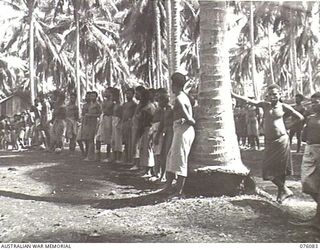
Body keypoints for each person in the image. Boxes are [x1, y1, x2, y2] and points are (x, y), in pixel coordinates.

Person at [232, 84, 304, 203]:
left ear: (279, 94)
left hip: (282, 140)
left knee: (281, 168)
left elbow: (300, 117)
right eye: (270, 94)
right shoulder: (264, 105)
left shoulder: (283, 107)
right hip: (270, 142)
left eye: (275, 94)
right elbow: (249, 100)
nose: (272, 97)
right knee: (266, 169)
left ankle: (281, 194)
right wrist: (234, 94)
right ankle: (284, 188)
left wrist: (287, 127)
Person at [162, 72, 196, 197]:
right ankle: (169, 186)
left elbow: (190, 119)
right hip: (180, 130)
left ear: (174, 85)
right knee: (172, 157)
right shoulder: (184, 97)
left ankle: (178, 191)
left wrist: (183, 121)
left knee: (180, 159)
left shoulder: (179, 99)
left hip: (183, 131)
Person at [297, 92, 320, 229]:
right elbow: (304, 137)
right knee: (307, 182)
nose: (313, 105)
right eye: (312, 103)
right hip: (310, 151)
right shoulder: (310, 118)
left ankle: (317, 219)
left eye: (316, 102)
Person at [155, 90, 173, 182]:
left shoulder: (171, 110)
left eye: (159, 101)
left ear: (164, 101)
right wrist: (157, 135)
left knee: (167, 154)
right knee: (162, 155)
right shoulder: (164, 111)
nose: (158, 103)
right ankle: (162, 175)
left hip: (171, 132)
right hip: (165, 133)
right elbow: (162, 123)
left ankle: (167, 176)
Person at [137, 89, 156, 178]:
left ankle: (148, 170)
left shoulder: (149, 107)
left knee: (147, 149)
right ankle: (146, 169)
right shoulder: (147, 107)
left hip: (148, 128)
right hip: (146, 128)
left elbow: (146, 120)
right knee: (145, 148)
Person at [95, 87, 113, 162]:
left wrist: (106, 112)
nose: (105, 93)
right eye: (105, 92)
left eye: (107, 92)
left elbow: (109, 111)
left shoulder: (112, 102)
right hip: (103, 119)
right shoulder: (104, 101)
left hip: (109, 119)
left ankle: (108, 156)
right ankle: (98, 154)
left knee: (108, 138)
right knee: (98, 137)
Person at [82, 91, 101, 161]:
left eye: (93, 96)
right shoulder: (89, 105)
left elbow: (100, 114)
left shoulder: (97, 105)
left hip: (94, 122)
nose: (92, 97)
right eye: (91, 96)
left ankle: (91, 156)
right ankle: (90, 155)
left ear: (96, 97)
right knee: (88, 139)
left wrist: (91, 115)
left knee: (92, 139)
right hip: (88, 122)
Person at [121, 88, 137, 164]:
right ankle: (126, 158)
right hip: (124, 123)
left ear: (133, 95)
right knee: (125, 142)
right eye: (127, 94)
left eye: (129, 94)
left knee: (130, 141)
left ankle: (131, 158)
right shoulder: (124, 104)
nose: (128, 95)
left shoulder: (134, 104)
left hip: (130, 123)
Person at [111, 88, 123, 163]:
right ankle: (114, 156)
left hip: (118, 121)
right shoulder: (114, 104)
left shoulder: (120, 105)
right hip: (113, 121)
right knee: (113, 140)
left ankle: (119, 157)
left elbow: (121, 115)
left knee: (118, 140)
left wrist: (119, 123)